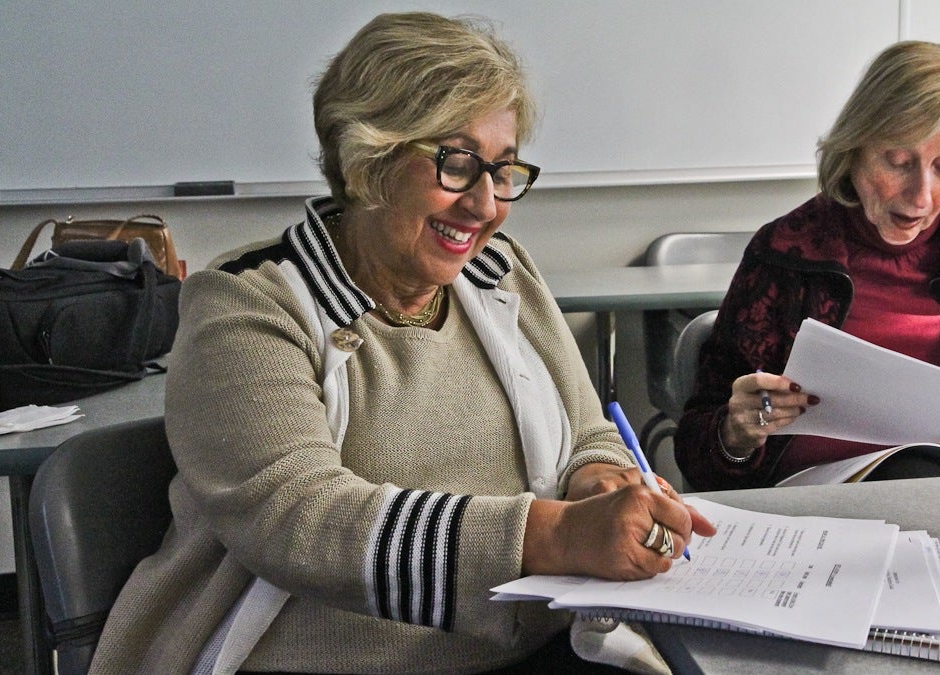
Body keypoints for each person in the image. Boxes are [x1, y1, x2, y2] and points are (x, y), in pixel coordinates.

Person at [89, 12, 713, 674]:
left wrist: (599, 477)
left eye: (503, 171)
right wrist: (553, 534)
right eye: (457, 163)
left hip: (529, 645)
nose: (486, 204)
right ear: (369, 158)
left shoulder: (501, 270)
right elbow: (298, 519)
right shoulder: (249, 301)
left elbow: (589, 430)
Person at [674, 40, 940, 491]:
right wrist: (736, 433)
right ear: (855, 147)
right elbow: (696, 455)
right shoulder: (787, 251)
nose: (921, 196)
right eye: (899, 161)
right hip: (810, 513)